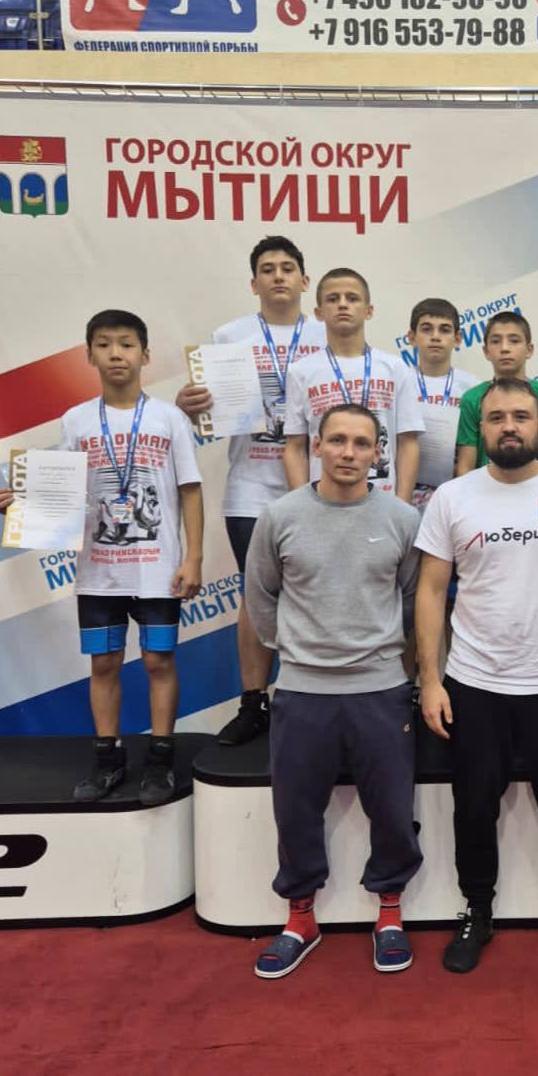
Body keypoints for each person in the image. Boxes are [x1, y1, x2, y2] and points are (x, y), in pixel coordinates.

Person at [416, 378, 538, 978]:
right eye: (498, 416)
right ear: (481, 428)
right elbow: (430, 591)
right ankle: (476, 910)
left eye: (522, 416)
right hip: (474, 681)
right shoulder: (452, 497)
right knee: (474, 806)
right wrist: (430, 680)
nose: (509, 426)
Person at [0, 311, 203, 806]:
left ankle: (160, 760)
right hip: (99, 571)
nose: (116, 354)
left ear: (145, 355)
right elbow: (60, 492)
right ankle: (108, 759)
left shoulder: (169, 418)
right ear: (89, 356)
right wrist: (19, 502)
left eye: (126, 344)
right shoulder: (76, 420)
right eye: (104, 345)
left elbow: (190, 490)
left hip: (157, 567)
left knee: (158, 660)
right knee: (104, 663)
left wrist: (194, 558)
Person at [245, 403, 424, 978]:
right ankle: (300, 918)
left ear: (378, 453)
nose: (349, 453)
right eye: (338, 440)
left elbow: (413, 600)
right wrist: (297, 651)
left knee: (392, 808)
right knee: (295, 810)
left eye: (362, 443)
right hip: (302, 690)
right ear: (316, 445)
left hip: (381, 689)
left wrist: (390, 658)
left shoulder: (402, 519)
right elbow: (260, 597)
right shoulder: (279, 516)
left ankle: (390, 913)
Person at [175, 236, 321, 746]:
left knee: (321, 592)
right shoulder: (229, 336)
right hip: (251, 489)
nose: (278, 275)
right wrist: (190, 406)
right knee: (255, 597)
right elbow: (208, 415)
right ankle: (254, 702)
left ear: (304, 280)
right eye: (268, 269)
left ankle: (309, 700)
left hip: (320, 488)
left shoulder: (326, 334)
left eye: (287, 267)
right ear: (253, 283)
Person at [284, 267, 422, 501]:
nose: (342, 305)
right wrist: (303, 505)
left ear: (369, 310)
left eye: (352, 298)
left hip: (382, 501)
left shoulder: (395, 368)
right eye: (333, 299)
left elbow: (408, 442)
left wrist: (402, 505)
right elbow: (295, 447)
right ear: (319, 313)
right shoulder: (300, 371)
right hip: (323, 501)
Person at [453, 312, 538, 475]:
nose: (505, 348)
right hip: (485, 486)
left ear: (529, 350)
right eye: (496, 341)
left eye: (514, 341)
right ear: (486, 351)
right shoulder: (472, 399)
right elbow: (465, 466)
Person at [406, 297, 479, 507]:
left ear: (457, 338)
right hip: (406, 488)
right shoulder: (399, 381)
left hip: (456, 489)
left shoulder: (472, 387)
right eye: (427, 329)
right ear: (412, 337)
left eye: (444, 330)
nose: (436, 337)